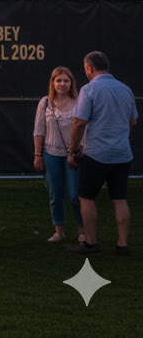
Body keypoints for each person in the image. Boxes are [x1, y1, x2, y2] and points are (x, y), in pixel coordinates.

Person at [68, 50, 137, 256]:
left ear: (89, 67)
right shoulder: (126, 89)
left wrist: (73, 149)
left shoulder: (89, 90)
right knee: (119, 198)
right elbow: (133, 121)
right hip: (122, 154)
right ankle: (122, 245)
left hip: (96, 153)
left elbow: (79, 122)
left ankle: (90, 244)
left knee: (86, 197)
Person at [33, 65, 84, 243]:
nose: (62, 84)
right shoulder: (45, 102)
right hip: (51, 153)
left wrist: (79, 148)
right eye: (59, 80)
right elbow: (39, 130)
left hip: (74, 155)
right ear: (53, 83)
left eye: (66, 80)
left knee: (75, 195)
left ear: (71, 83)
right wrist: (37, 154)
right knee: (55, 194)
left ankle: (82, 231)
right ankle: (59, 231)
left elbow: (85, 129)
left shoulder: (80, 102)